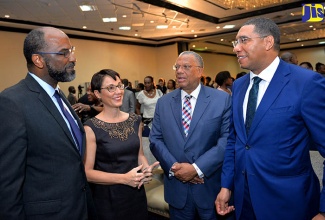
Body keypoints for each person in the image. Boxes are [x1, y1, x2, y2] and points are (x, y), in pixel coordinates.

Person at [215, 17, 325, 220]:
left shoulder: (307, 83)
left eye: (244, 40)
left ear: (268, 42)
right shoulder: (239, 86)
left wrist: (324, 210)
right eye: (235, 42)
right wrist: (226, 185)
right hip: (243, 200)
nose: (236, 48)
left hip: (289, 203)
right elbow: (235, 141)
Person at [0, 27, 96, 219]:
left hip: (79, 209)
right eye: (64, 53)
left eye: (72, 50)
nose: (73, 58)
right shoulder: (12, 103)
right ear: (38, 60)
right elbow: (7, 185)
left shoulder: (59, 96)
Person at [149, 51, 233, 220]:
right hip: (177, 190)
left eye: (186, 67)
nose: (179, 71)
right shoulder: (163, 102)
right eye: (177, 67)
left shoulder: (221, 99)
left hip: (210, 189)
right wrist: (175, 168)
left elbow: (226, 141)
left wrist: (196, 169)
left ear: (200, 71)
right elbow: (155, 139)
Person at [83, 69, 159, 219]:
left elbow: (139, 155)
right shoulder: (90, 127)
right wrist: (124, 178)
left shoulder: (135, 120)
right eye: (111, 88)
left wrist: (145, 169)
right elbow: (87, 173)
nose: (118, 91)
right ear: (98, 94)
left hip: (136, 195)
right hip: (108, 200)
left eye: (120, 86)